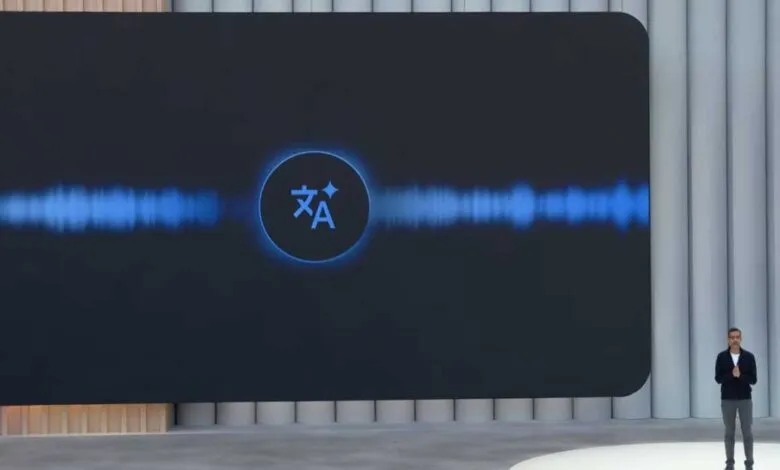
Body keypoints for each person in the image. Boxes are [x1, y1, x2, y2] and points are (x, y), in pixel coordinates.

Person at [715, 327, 757, 470]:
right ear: (728, 340)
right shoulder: (721, 357)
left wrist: (740, 376)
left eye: (737, 337)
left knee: (747, 432)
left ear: (741, 338)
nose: (734, 340)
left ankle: (749, 463)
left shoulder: (749, 357)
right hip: (727, 399)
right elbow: (718, 378)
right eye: (732, 337)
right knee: (729, 432)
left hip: (745, 399)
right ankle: (730, 463)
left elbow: (753, 379)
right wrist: (731, 375)